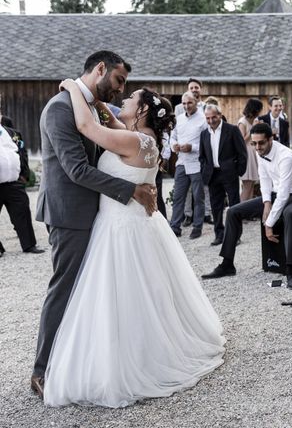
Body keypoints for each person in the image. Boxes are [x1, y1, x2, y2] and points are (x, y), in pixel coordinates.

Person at [42, 79, 225, 408]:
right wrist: (100, 104)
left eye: (129, 99)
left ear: (141, 110)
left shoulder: (131, 139)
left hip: (119, 228)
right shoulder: (145, 139)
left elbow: (86, 126)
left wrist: (72, 87)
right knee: (139, 296)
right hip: (132, 223)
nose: (122, 101)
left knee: (118, 295)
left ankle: (127, 360)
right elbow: (113, 123)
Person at [31, 51, 157, 401]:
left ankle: (80, 361)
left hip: (98, 216)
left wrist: (145, 177)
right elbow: (76, 170)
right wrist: (131, 189)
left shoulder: (97, 108)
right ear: (100, 69)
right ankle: (41, 370)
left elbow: (132, 138)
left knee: (90, 293)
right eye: (118, 80)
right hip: (70, 215)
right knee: (65, 289)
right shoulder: (60, 107)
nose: (120, 90)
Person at [201, 123, 292, 290]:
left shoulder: (286, 156)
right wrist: (266, 203)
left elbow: (284, 194)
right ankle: (227, 263)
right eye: (254, 143)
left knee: (290, 214)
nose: (257, 147)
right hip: (274, 194)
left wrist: (269, 223)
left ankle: (291, 270)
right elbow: (265, 179)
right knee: (233, 211)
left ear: (271, 139)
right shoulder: (260, 152)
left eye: (261, 143)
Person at [199, 103, 247, 246]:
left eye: (214, 117)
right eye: (208, 118)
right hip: (212, 175)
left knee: (234, 205)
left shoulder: (231, 130)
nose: (211, 120)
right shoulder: (204, 133)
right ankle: (219, 235)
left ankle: (235, 235)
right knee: (216, 206)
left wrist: (238, 171)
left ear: (220, 115)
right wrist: (204, 169)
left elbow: (242, 153)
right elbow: (202, 156)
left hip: (229, 173)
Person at [169, 91, 207, 239]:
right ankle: (175, 227)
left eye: (189, 103)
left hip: (196, 164)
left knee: (198, 197)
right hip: (181, 163)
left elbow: (206, 144)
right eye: (184, 103)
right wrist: (174, 146)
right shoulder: (179, 119)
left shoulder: (203, 120)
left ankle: (197, 227)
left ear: (196, 101)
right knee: (178, 196)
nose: (186, 106)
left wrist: (193, 147)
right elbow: (173, 137)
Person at [0, 124, 44, 254]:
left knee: (22, 212)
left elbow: (21, 151)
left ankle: (29, 245)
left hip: (14, 182)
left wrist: (24, 174)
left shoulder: (12, 133)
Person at [238, 98, 263, 202]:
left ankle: (248, 212)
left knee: (252, 184)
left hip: (254, 153)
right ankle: (238, 212)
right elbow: (241, 141)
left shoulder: (254, 120)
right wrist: (253, 129)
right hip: (246, 154)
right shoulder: (242, 122)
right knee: (247, 186)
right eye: (260, 109)